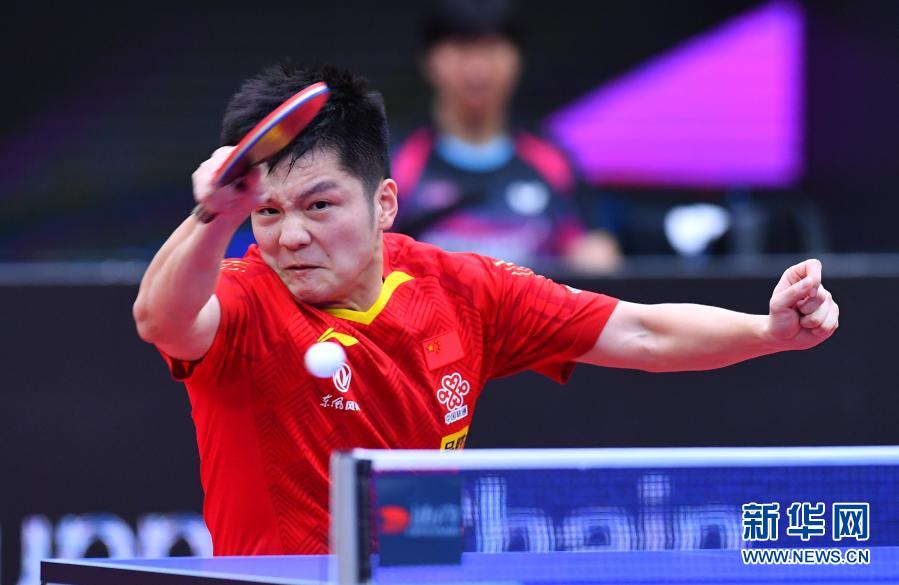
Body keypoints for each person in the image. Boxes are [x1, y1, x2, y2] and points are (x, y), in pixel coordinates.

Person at [133, 63, 838, 556]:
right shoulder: (244, 299)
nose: (290, 236)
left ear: (384, 203)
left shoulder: (461, 290)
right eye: (266, 212)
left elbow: (640, 330)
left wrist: (766, 331)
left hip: (419, 571)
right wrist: (212, 215)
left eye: (319, 205)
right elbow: (160, 321)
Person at [392, 0, 620, 271]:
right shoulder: (396, 161)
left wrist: (594, 258)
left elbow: (594, 248)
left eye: (491, 49)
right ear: (429, 60)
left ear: (517, 59)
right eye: (461, 49)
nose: (477, 68)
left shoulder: (551, 160)